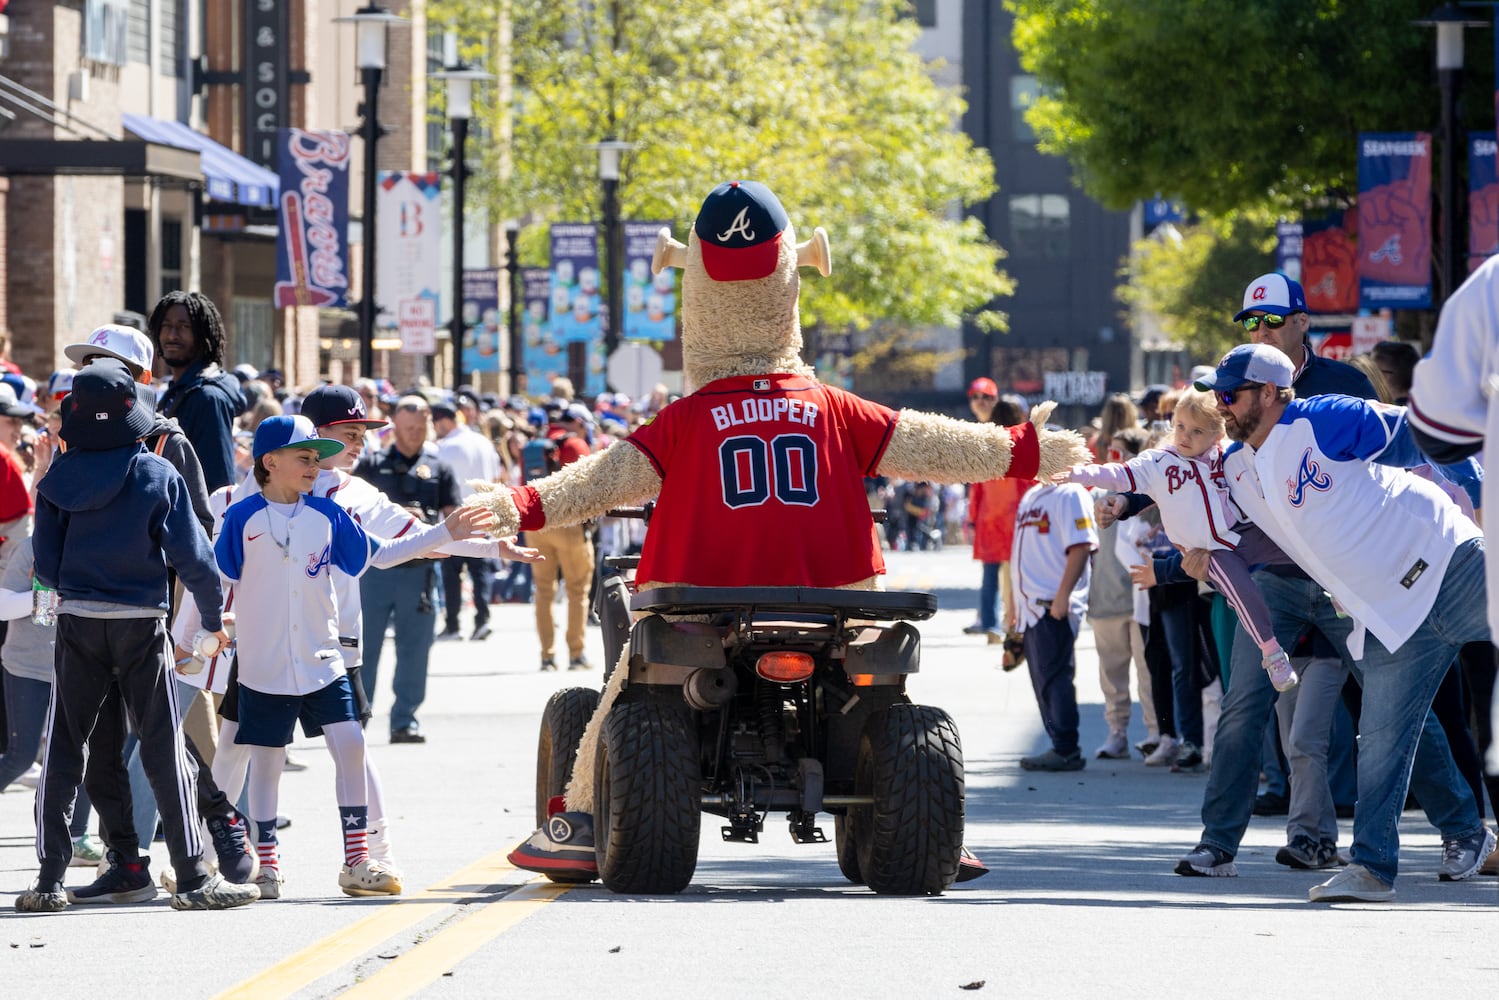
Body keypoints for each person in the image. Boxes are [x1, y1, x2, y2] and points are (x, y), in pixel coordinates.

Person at [1179, 344, 1494, 901]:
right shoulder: (1236, 465)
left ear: (1272, 393)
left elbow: (1431, 433)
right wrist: (1169, 550)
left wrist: (1479, 497)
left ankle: (1458, 836)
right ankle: (1373, 870)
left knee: (1395, 736)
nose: (1221, 406)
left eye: (1232, 394)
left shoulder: (1322, 418)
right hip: (1390, 614)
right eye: (1218, 395)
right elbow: (1192, 504)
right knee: (1380, 739)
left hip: (1450, 564)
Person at [19, 359, 257, 912]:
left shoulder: (57, 477)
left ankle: (55, 878)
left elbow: (47, 567)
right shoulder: (156, 473)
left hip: (77, 624)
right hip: (140, 624)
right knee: (162, 746)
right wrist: (213, 620)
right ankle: (195, 878)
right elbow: (195, 558)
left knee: (66, 747)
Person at [214, 415, 399, 899]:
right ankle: (268, 863)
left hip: (323, 659)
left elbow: (377, 554)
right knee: (266, 761)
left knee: (352, 744)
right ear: (269, 462)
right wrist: (197, 635)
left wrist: (449, 534)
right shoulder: (242, 514)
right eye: (304, 457)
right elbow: (217, 579)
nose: (315, 466)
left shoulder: (329, 514)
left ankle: (358, 859)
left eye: (318, 459)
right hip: (264, 665)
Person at [1058, 387, 1297, 691]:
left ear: (1217, 433)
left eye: (1197, 431)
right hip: (1209, 551)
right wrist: (1079, 474)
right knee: (1241, 590)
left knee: (1298, 548)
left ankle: (1335, 589)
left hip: (1242, 533)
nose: (1184, 436)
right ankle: (1272, 652)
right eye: (1180, 425)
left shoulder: (1229, 455)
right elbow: (1119, 474)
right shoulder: (1160, 461)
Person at [353, 395, 461, 743]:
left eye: (420, 428)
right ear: (395, 426)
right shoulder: (371, 464)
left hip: (420, 572)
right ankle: (357, 719)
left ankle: (405, 718)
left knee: (415, 649)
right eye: (408, 428)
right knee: (364, 648)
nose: (415, 434)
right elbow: (354, 513)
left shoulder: (439, 467)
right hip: (377, 572)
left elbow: (452, 514)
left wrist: (428, 523)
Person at [1009, 476, 1097, 771]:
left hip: (1052, 604)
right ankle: (1058, 744)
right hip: (1031, 607)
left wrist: (1064, 597)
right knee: (1043, 681)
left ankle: (1066, 747)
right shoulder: (1033, 494)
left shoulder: (1071, 493)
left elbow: (1082, 546)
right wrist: (1014, 609)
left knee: (1055, 677)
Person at [1087, 426, 1157, 758]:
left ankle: (1157, 733)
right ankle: (1117, 734)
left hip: (1142, 597)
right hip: (1106, 597)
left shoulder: (1150, 494)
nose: (1113, 461)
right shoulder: (1094, 496)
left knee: (1148, 673)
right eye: (1110, 453)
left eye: (1120, 454)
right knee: (1112, 676)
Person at [149, 291, 248, 493]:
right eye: (166, 326)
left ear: (203, 335)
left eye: (184, 327)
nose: (171, 335)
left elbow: (218, 484)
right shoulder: (175, 392)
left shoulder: (209, 398)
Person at [530, 403, 594, 671]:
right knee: (577, 590)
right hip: (567, 523)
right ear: (577, 423)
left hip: (536, 525)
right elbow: (589, 483)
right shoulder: (576, 445)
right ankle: (576, 654)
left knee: (543, 591)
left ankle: (547, 655)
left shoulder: (536, 444)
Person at [964, 386, 1029, 641]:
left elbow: (976, 487)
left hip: (989, 518)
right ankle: (1015, 619)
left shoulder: (987, 446)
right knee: (1017, 573)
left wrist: (972, 518)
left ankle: (989, 622)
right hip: (1017, 517)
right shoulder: (1023, 444)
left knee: (989, 575)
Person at [432, 400, 500, 641]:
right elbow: (495, 475)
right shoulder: (483, 442)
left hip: (455, 515)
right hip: (483, 512)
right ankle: (482, 620)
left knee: (452, 574)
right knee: (480, 571)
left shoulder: (445, 446)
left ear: (444, 421)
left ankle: (453, 625)